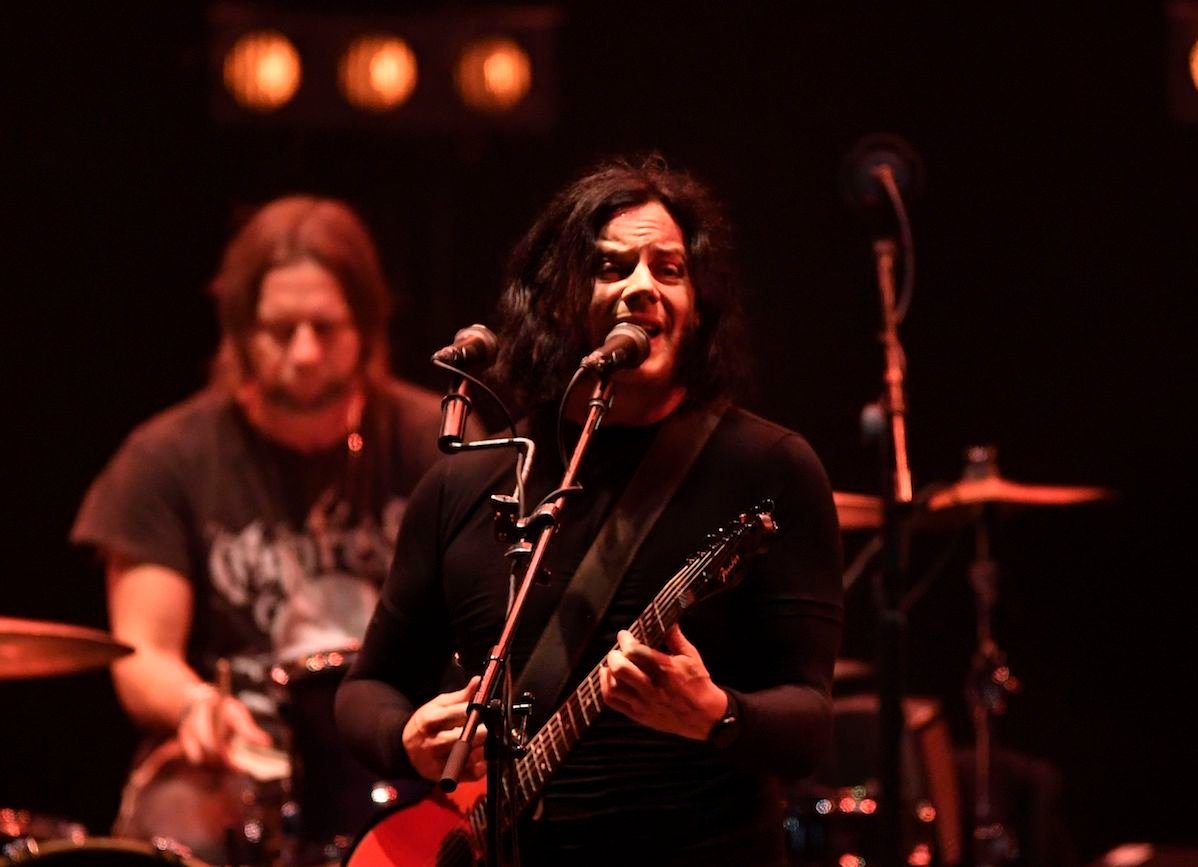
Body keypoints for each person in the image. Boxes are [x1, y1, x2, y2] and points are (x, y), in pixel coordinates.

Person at [335, 156, 845, 865]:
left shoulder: (768, 468)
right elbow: (366, 687)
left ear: (698, 307)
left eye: (668, 270)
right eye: (611, 267)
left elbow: (811, 722)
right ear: (555, 296)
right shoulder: (472, 479)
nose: (643, 287)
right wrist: (406, 736)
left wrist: (718, 714)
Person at [71, 195, 459, 863]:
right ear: (241, 332)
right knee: (180, 837)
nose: (304, 353)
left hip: (405, 744)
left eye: (325, 327)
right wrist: (195, 703)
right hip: (238, 762)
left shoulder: (440, 443)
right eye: (281, 330)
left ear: (366, 326)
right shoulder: (165, 458)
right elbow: (141, 654)